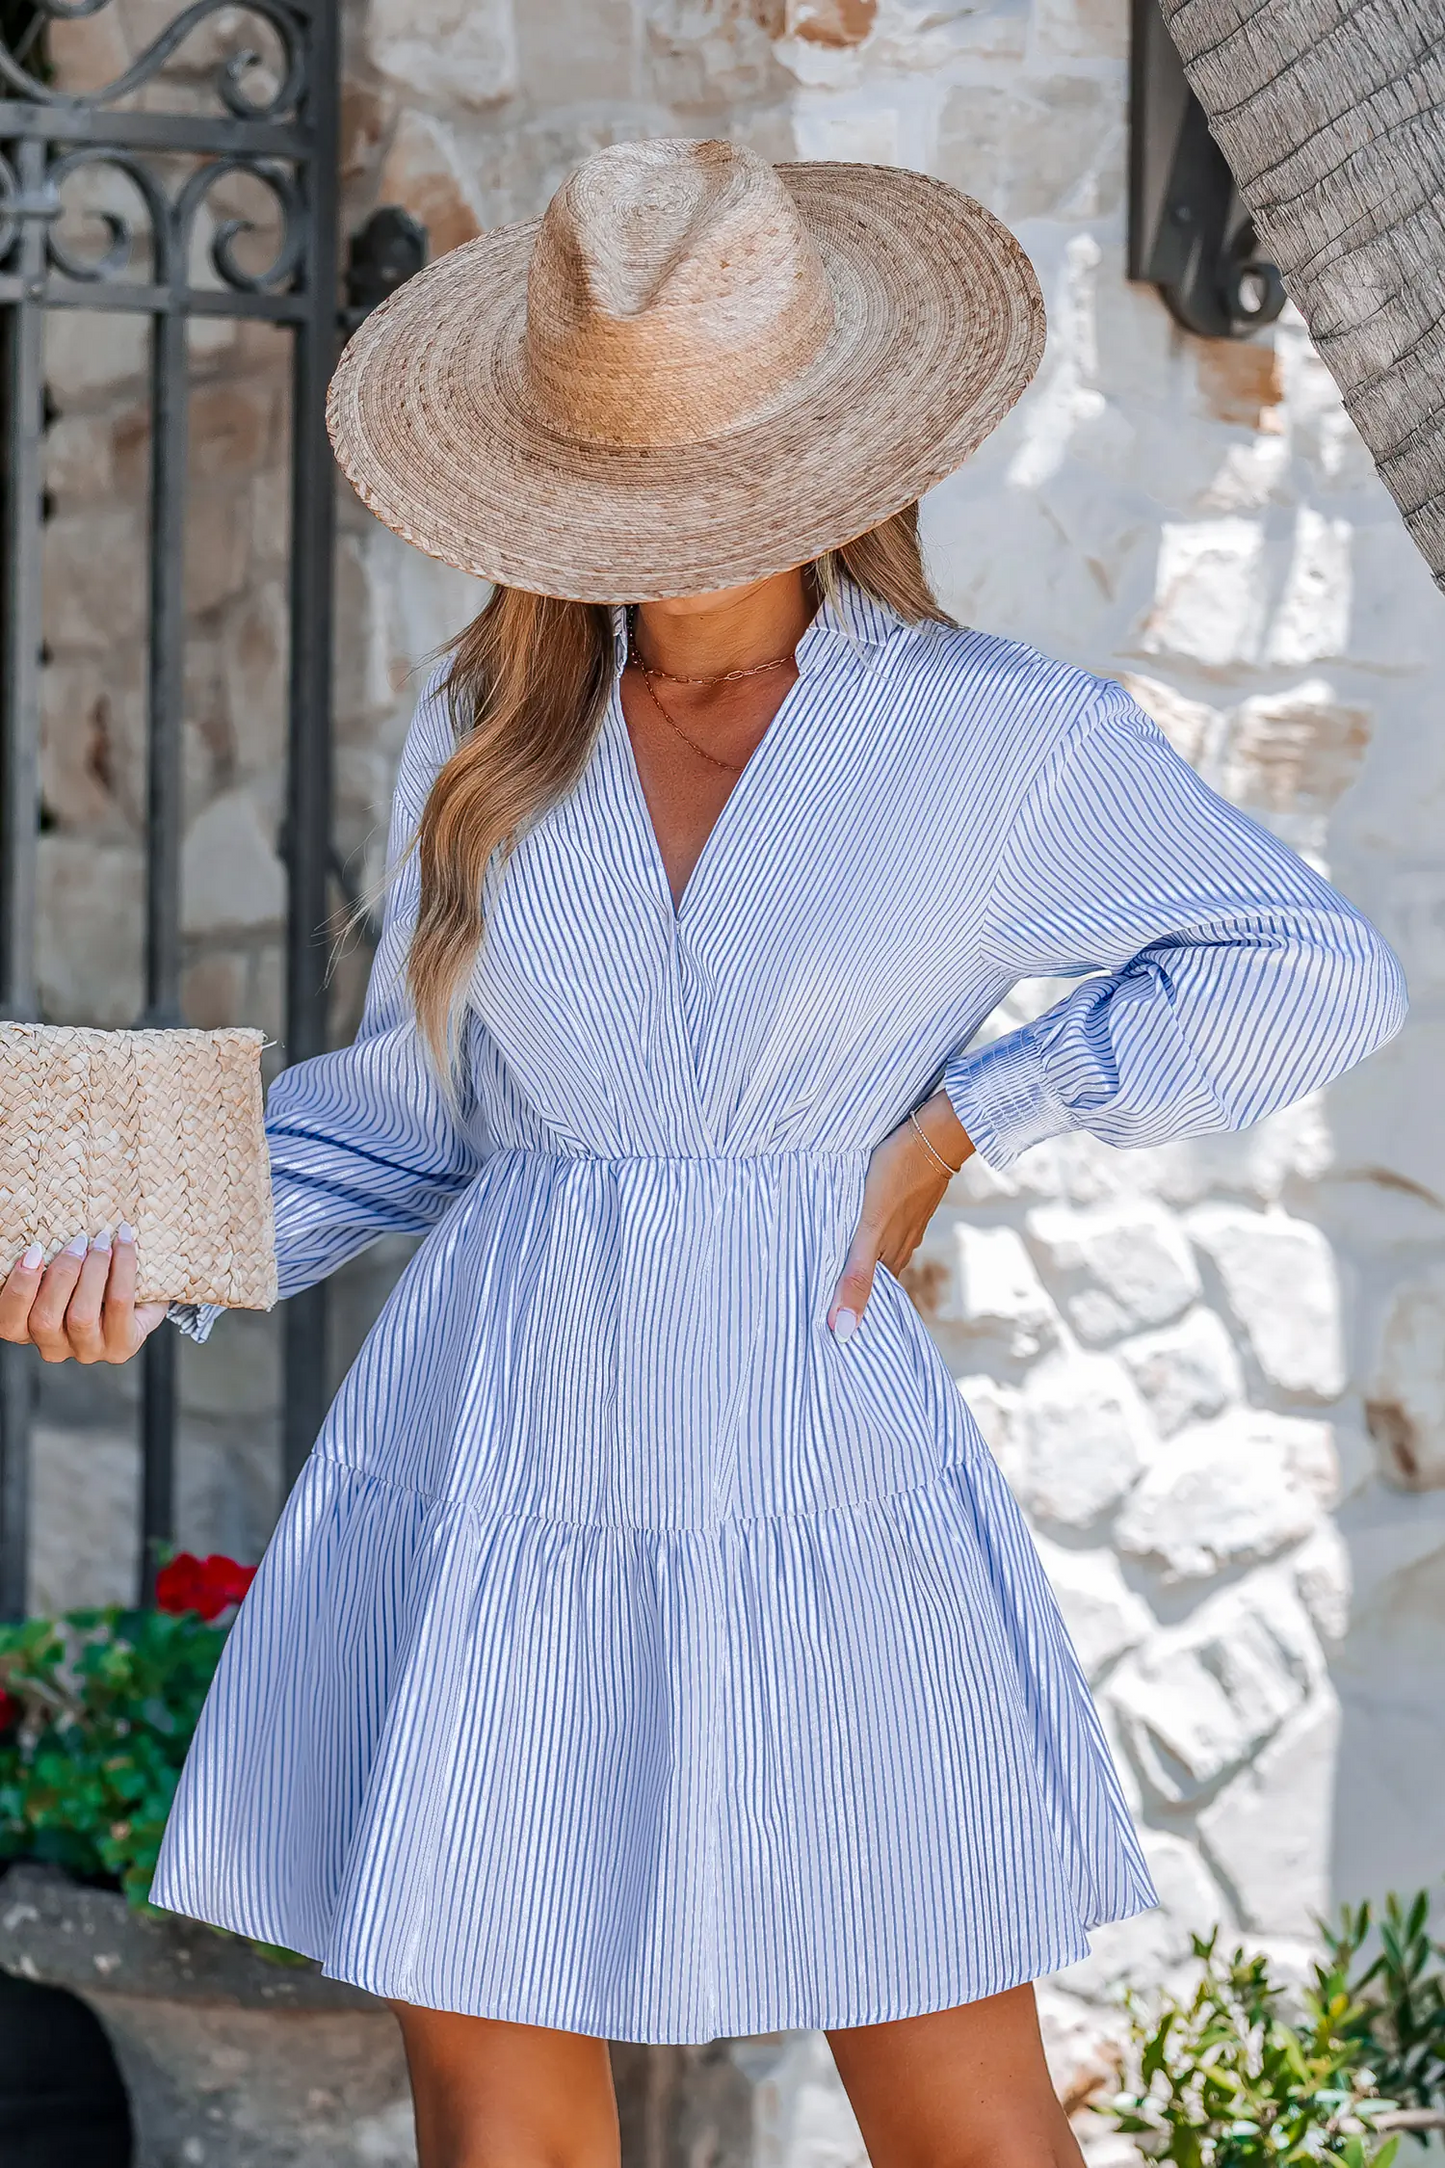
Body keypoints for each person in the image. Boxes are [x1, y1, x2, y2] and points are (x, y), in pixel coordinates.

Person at [1, 139, 1406, 2168]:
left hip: (812, 1474)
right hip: (502, 1465)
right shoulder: (487, 725)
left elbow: (1309, 967)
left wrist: (966, 1121)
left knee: (967, 2134)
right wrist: (132, 1246)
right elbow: (410, 1122)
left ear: (833, 448)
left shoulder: (989, 738)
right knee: (505, 2136)